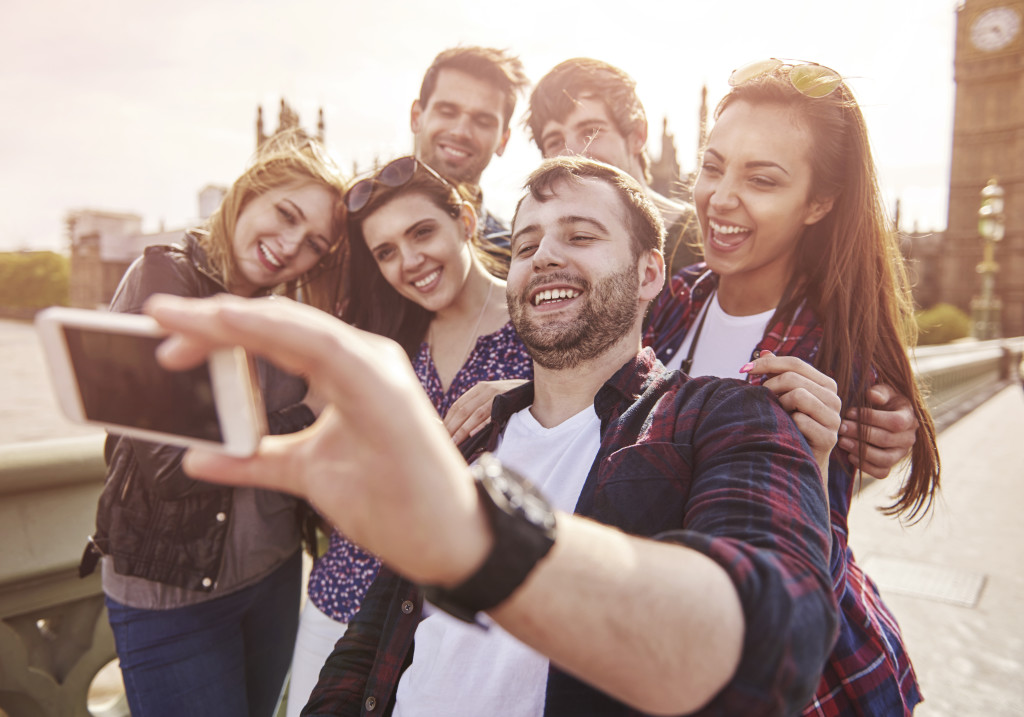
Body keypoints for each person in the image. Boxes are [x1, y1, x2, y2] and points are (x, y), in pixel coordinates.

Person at [147, 156, 842, 716]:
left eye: (580, 235)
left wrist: (480, 538)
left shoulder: (722, 418)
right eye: (529, 242)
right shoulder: (471, 438)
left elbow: (780, 644)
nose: (543, 257)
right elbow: (371, 638)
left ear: (650, 273)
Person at [643, 59, 942, 715]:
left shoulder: (834, 352)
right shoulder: (671, 302)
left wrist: (821, 459)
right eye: (713, 166)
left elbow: (805, 578)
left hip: (812, 686)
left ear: (819, 202)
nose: (721, 197)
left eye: (762, 179)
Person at [78, 130, 347, 717]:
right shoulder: (163, 278)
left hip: (273, 576)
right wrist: (307, 412)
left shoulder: (287, 310)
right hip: (171, 595)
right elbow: (174, 468)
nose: (289, 245)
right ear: (248, 193)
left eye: (313, 243)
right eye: (285, 214)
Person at [284, 155, 533, 716]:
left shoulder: (536, 323)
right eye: (386, 252)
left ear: (465, 222)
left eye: (423, 233)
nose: (411, 262)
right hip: (344, 594)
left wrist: (525, 391)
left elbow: (621, 400)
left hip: (454, 613)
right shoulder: (383, 334)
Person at [524, 58, 700, 274]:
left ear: (637, 135)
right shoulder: (543, 256)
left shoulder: (702, 241)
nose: (573, 155)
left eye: (591, 131)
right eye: (555, 141)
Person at [411, 46, 530, 263]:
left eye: (483, 122)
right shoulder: (354, 233)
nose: (461, 132)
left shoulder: (516, 261)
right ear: (417, 116)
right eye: (447, 112)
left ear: (503, 141)